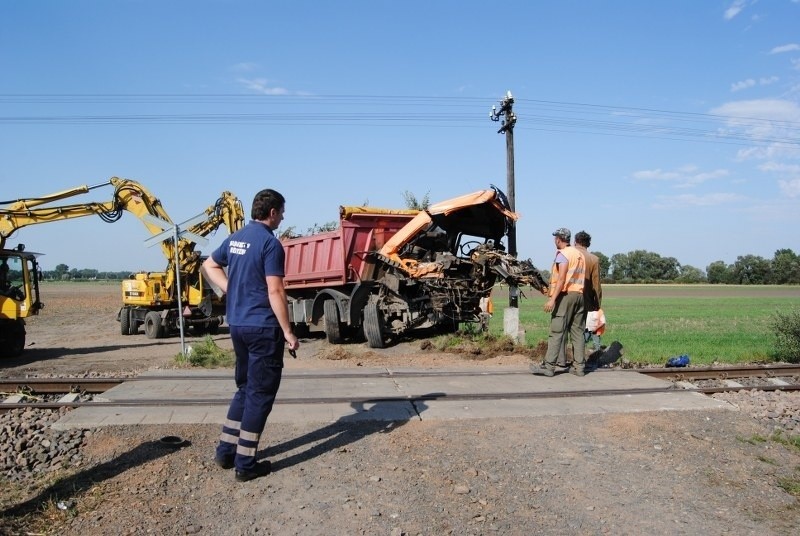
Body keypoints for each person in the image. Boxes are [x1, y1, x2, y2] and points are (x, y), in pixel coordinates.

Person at [202, 188, 300, 482]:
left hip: (238, 326)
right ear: (272, 213)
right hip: (263, 328)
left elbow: (209, 264)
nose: (283, 216)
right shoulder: (270, 244)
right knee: (259, 395)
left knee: (245, 389)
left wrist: (231, 288)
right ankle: (246, 464)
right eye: (282, 212)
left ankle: (225, 452)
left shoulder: (235, 239)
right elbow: (275, 290)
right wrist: (288, 332)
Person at [531, 228, 587, 377]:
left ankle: (549, 367)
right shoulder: (579, 254)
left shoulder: (563, 255)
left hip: (566, 296)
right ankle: (580, 368)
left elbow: (561, 278)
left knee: (557, 331)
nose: (554, 240)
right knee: (578, 332)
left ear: (558, 239)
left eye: (555, 238)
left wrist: (552, 299)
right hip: (580, 296)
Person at [574, 230, 603, 351]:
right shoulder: (594, 259)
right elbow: (596, 285)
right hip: (586, 300)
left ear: (575, 242)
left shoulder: (569, 255)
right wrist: (597, 304)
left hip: (566, 298)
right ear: (588, 244)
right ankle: (581, 357)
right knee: (581, 329)